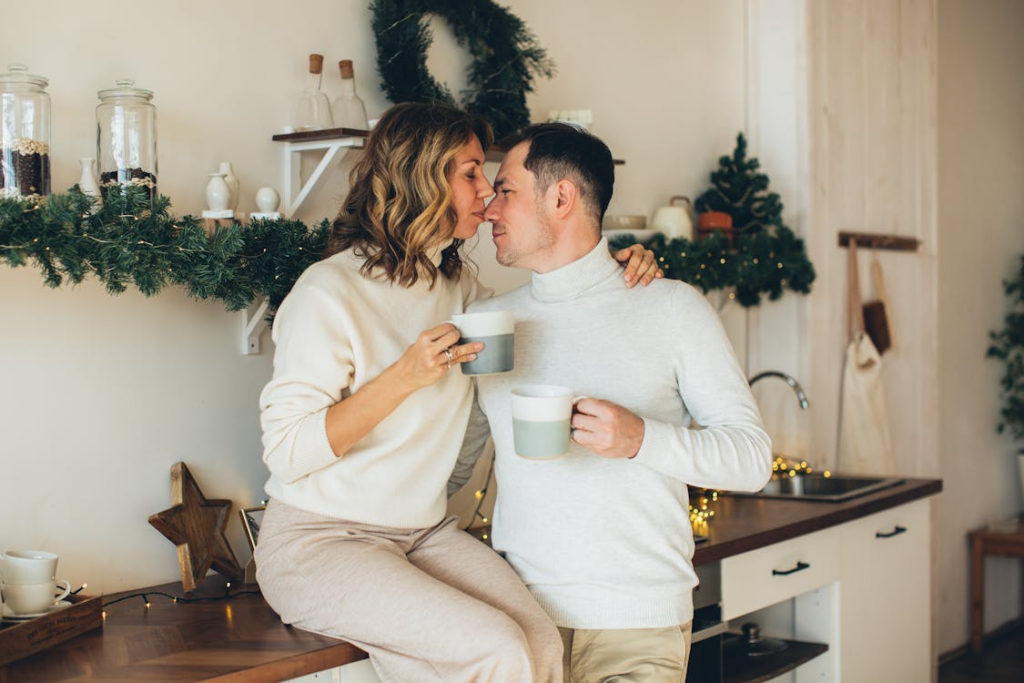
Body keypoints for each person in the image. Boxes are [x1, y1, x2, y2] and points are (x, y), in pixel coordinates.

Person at [255, 103, 661, 683]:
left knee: (542, 645)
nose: (488, 197)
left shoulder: (459, 289)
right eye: (471, 174)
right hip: (318, 541)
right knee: (496, 650)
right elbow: (287, 453)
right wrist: (403, 376)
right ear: (420, 176)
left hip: (421, 532)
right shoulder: (328, 292)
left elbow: (549, 305)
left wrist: (612, 271)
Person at [449, 123, 773, 683]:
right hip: (519, 627)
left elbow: (751, 459)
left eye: (505, 190)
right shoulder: (490, 322)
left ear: (561, 197)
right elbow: (455, 465)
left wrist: (640, 439)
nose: (488, 207)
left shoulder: (669, 307)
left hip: (636, 625)